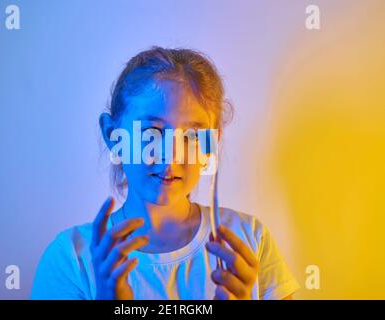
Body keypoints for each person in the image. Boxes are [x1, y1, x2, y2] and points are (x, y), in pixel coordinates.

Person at [31, 47, 300, 300]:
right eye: (152, 132)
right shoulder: (71, 258)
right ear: (114, 136)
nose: (172, 155)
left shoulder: (248, 241)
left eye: (193, 135)